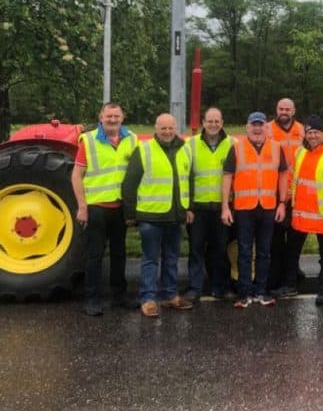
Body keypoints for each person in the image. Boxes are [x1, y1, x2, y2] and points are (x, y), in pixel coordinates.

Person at [121, 113, 195, 317]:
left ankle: (170, 295)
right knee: (150, 260)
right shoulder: (144, 150)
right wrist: (130, 214)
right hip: (150, 217)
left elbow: (189, 179)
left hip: (175, 216)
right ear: (156, 128)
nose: (167, 132)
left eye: (171, 128)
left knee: (171, 258)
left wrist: (189, 208)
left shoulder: (185, 148)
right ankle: (148, 299)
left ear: (176, 128)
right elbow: (129, 184)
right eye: (163, 128)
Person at [71, 102, 138, 317]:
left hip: (120, 208)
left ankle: (119, 295)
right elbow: (76, 176)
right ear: (101, 117)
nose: (112, 119)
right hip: (97, 207)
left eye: (116, 116)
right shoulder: (89, 141)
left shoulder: (132, 139)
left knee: (120, 254)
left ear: (122, 117)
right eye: (108, 116)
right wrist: (82, 207)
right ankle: (92, 299)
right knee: (95, 255)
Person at [222, 111, 289, 308]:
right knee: (244, 252)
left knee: (264, 252)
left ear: (266, 127)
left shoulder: (277, 148)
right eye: (254, 125)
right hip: (244, 208)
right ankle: (244, 294)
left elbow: (283, 175)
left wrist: (282, 203)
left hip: (268, 207)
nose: (257, 128)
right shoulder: (236, 148)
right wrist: (225, 206)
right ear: (247, 127)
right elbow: (227, 176)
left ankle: (261, 291)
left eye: (261, 125)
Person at [284, 115, 323, 306]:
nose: (313, 136)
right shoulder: (299, 153)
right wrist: (284, 201)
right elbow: (291, 179)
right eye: (310, 132)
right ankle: (290, 285)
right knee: (292, 252)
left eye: (316, 133)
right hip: (300, 214)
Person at [185, 107, 235, 301]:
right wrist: (188, 206)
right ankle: (194, 288)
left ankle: (220, 287)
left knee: (220, 249)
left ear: (222, 123)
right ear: (203, 123)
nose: (213, 125)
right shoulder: (190, 145)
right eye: (209, 121)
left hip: (222, 208)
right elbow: (185, 177)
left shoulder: (233, 144)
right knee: (196, 249)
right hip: (198, 208)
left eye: (217, 121)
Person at [266, 98, 305, 295]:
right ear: (276, 109)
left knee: (296, 238)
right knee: (277, 239)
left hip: (299, 192)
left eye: (287, 109)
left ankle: (293, 275)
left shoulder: (303, 130)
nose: (284, 112)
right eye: (281, 108)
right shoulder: (267, 129)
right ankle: (279, 277)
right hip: (275, 192)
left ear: (294, 110)